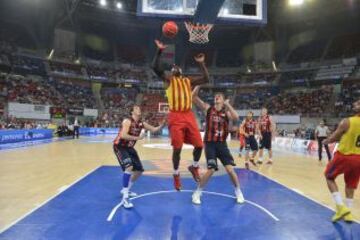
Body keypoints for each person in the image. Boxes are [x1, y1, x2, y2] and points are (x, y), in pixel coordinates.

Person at [152, 39, 209, 190]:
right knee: (177, 148)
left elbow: (206, 79)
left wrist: (201, 63)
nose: (174, 68)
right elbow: (155, 68)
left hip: (188, 115)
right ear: (171, 72)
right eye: (172, 68)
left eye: (176, 67)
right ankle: (176, 174)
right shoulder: (169, 80)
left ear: (181, 71)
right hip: (175, 116)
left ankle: (194, 166)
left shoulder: (188, 81)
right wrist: (159, 51)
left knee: (199, 145)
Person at [191, 86, 245, 204]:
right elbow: (193, 97)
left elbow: (236, 117)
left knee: (230, 170)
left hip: (222, 145)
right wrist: (199, 85)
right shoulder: (208, 109)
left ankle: (238, 191)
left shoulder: (226, 113)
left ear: (223, 100)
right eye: (216, 96)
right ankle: (197, 192)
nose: (216, 97)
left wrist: (228, 105)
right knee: (211, 170)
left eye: (219, 97)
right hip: (210, 144)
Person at [113, 105, 164, 208]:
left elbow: (154, 129)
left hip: (129, 148)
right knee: (129, 167)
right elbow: (123, 135)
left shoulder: (141, 123)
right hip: (120, 146)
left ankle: (126, 189)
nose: (139, 109)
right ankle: (125, 198)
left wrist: (162, 124)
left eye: (139, 108)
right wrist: (138, 137)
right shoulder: (127, 121)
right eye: (136, 108)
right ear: (132, 112)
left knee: (139, 171)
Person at [323, 99, 360, 222]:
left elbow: (335, 137)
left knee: (329, 176)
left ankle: (340, 207)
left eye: (358, 103)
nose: (355, 104)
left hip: (345, 155)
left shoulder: (347, 121)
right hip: (358, 158)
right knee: (350, 185)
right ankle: (348, 214)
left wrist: (326, 141)